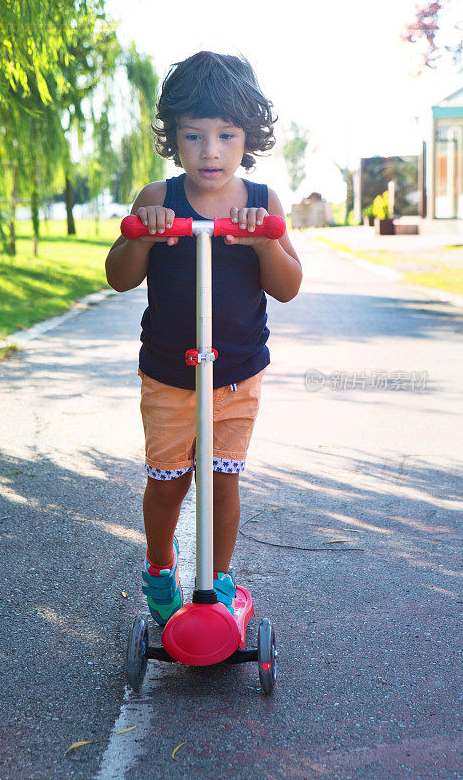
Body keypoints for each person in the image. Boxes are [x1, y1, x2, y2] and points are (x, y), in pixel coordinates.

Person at [105, 51, 302, 624]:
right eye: (193, 136)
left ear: (249, 137)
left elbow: (288, 288)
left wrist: (265, 242)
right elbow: (119, 277)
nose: (210, 151)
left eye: (225, 135)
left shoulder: (263, 203)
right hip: (169, 372)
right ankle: (161, 564)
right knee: (168, 483)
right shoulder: (156, 198)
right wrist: (141, 236)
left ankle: (218, 581)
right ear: (173, 138)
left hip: (238, 371)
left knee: (222, 481)